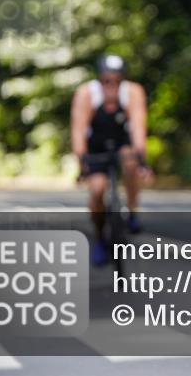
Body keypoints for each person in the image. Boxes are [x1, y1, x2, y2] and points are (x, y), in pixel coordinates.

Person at [71, 53, 152, 266]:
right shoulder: (86, 94)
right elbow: (78, 130)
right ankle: (99, 237)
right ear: (99, 78)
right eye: (107, 80)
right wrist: (82, 163)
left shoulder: (132, 92)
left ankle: (132, 212)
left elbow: (137, 127)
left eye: (116, 80)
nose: (111, 85)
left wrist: (142, 159)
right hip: (95, 145)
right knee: (97, 189)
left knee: (130, 162)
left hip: (121, 142)